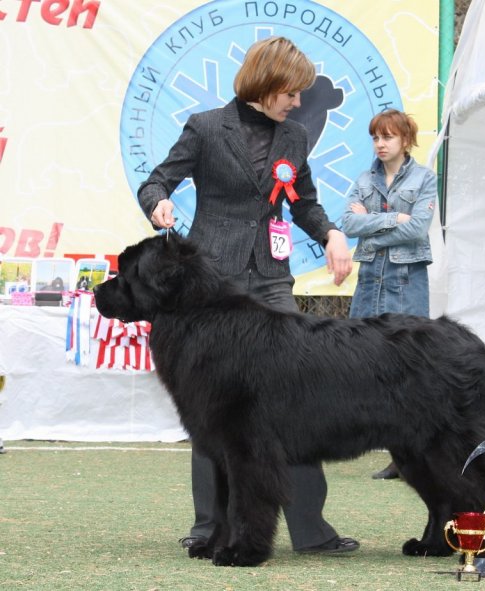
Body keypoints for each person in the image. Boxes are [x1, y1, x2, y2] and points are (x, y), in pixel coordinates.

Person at [136, 36, 358, 557]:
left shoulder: (295, 136)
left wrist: (330, 234)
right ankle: (209, 525)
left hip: (272, 280)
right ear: (267, 83)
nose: (298, 102)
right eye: (291, 92)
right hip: (213, 283)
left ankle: (310, 529)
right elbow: (157, 180)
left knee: (296, 399)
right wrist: (159, 203)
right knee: (211, 402)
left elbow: (302, 201)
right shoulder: (207, 127)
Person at [341, 110, 437, 480]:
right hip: (371, 281)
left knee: (409, 370)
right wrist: (391, 219)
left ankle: (409, 456)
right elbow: (348, 223)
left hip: (405, 281)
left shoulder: (425, 178)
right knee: (366, 363)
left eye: (388, 137)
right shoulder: (365, 179)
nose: (381, 144)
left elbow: (417, 228)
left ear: (406, 140)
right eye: (376, 137)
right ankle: (389, 449)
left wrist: (373, 228)